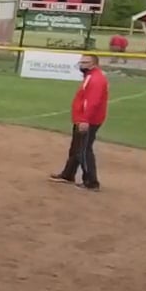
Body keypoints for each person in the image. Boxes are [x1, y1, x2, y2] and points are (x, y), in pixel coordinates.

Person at [50, 53, 108, 190]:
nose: (82, 65)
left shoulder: (95, 79)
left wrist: (84, 120)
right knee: (76, 147)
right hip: (82, 118)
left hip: (88, 120)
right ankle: (68, 174)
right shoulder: (90, 76)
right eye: (81, 62)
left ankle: (91, 182)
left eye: (85, 62)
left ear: (94, 64)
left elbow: (92, 102)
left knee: (84, 150)